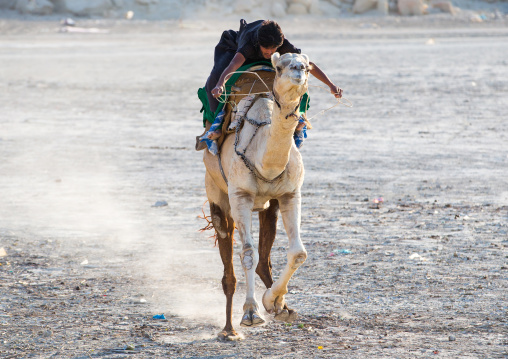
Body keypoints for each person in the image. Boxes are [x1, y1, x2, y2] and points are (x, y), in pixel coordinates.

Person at [196, 19, 343, 150]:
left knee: (297, 80)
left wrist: (331, 85)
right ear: (259, 43)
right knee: (213, 80)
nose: (270, 51)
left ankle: (299, 118)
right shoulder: (249, 44)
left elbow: (308, 65)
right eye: (267, 48)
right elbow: (234, 64)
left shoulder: (281, 45)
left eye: (274, 48)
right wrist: (220, 84)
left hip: (271, 60)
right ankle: (216, 125)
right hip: (236, 50)